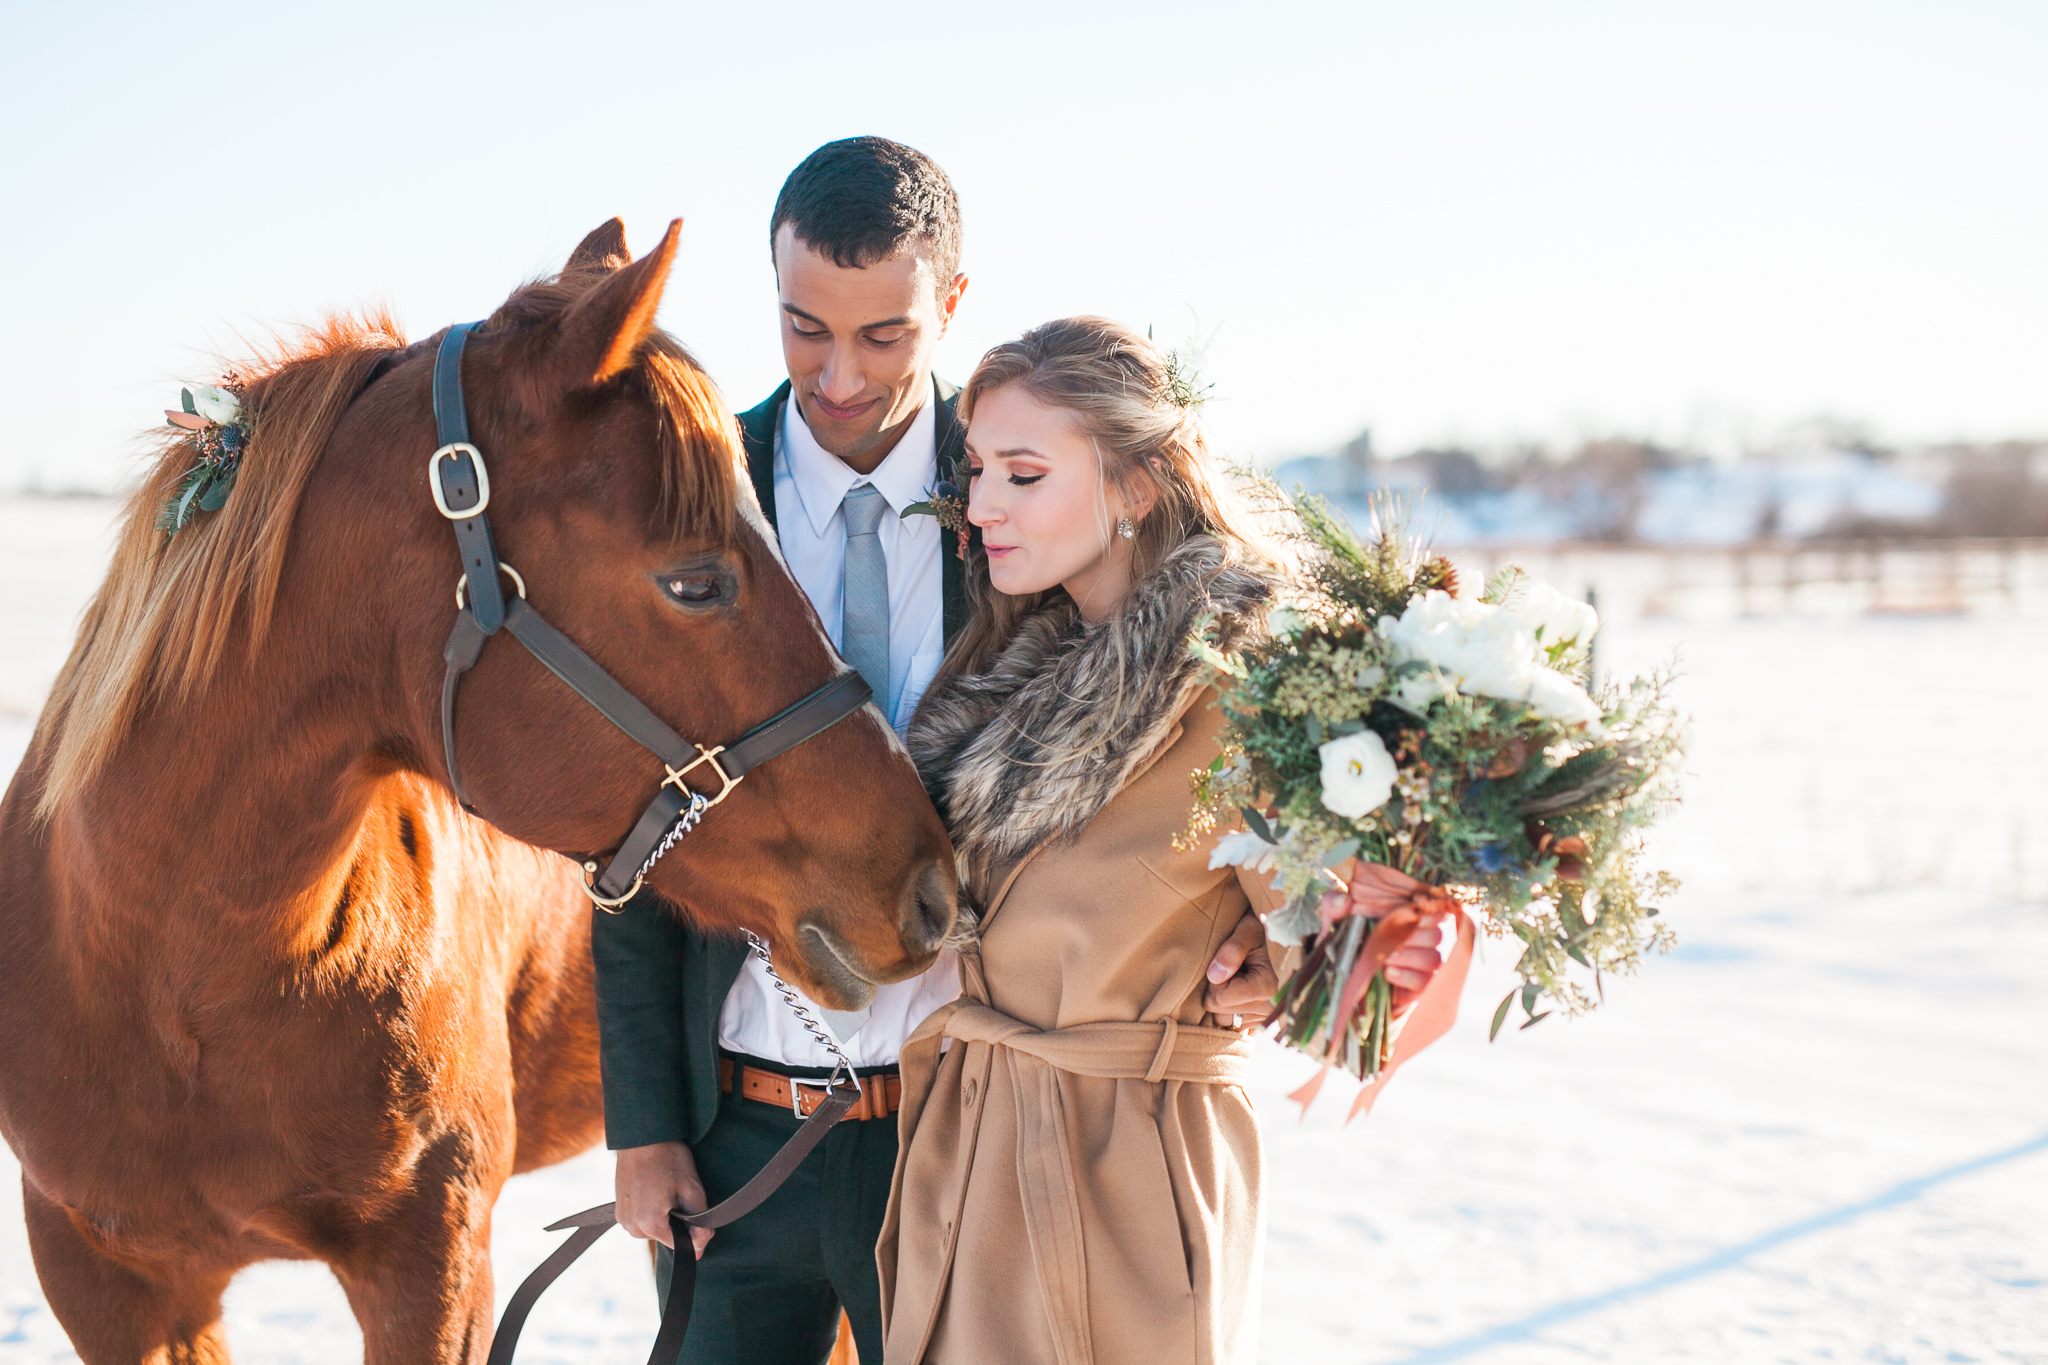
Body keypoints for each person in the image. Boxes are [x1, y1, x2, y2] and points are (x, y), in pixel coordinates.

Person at [591, 140, 1280, 1365]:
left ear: (948, 307)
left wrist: (1276, 924)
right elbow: (637, 823)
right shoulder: (690, 500)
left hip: (958, 1128)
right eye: (804, 329)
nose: (838, 375)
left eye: (884, 338)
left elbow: (1169, 734)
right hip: (732, 1130)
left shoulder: (1029, 501)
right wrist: (644, 1123)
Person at [877, 318, 1456, 1365]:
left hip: (1125, 1172)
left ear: (1135, 485)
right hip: (973, 1151)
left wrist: (1277, 956)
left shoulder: (1253, 677)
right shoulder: (1018, 668)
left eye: (1022, 473)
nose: (984, 506)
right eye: (976, 471)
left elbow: (1372, 929)